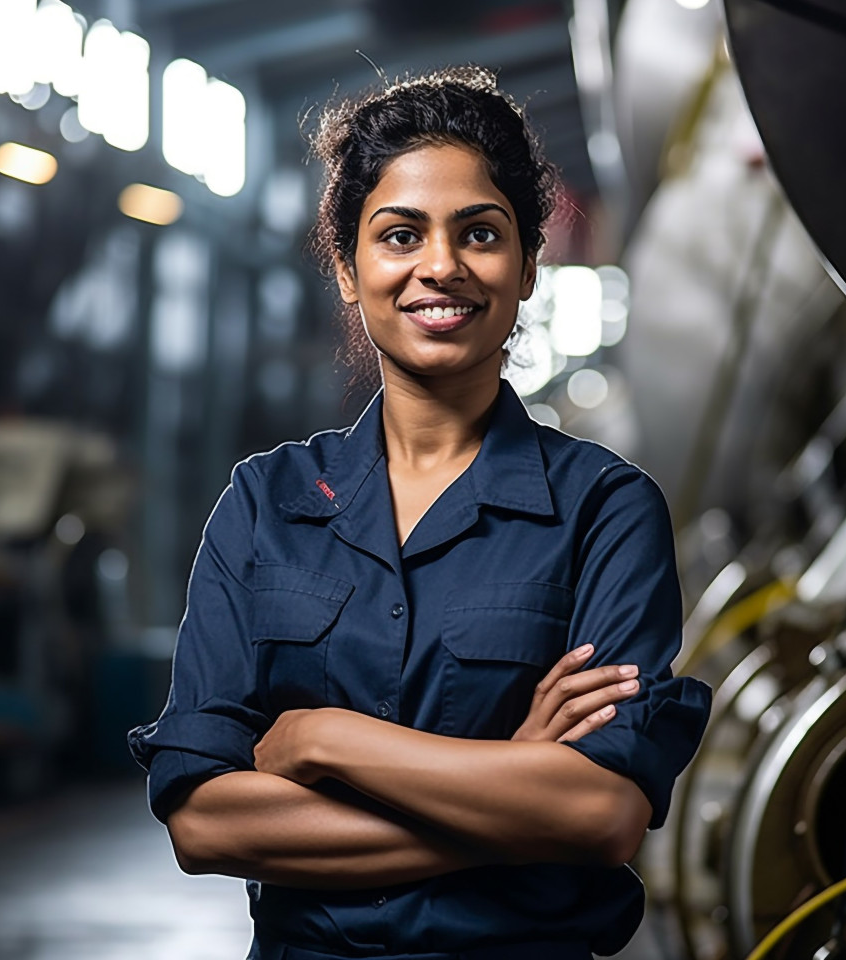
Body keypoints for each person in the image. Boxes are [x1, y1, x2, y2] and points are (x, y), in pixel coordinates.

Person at [128, 65, 712, 960]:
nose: (439, 265)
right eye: (400, 235)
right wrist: (514, 788)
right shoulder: (265, 504)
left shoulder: (605, 511)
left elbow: (599, 814)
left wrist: (327, 738)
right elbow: (205, 823)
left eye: (479, 233)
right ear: (348, 269)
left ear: (524, 267)